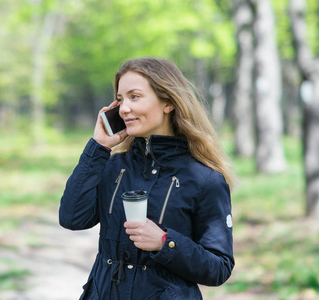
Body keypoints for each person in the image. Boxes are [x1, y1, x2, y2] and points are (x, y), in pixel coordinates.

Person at [59, 57, 236, 299]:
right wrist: (98, 147)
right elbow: (72, 218)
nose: (123, 109)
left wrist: (165, 242)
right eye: (120, 99)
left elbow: (219, 267)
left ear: (168, 103)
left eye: (134, 96)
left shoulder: (204, 179)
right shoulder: (114, 166)